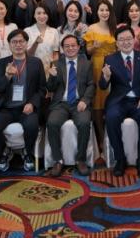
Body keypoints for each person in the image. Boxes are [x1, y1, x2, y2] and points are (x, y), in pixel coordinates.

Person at [0, 29, 46, 173]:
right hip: (6, 108)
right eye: (14, 42)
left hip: (26, 107)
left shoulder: (36, 62)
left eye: (21, 41)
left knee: (32, 126)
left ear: (26, 43)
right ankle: (4, 152)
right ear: (9, 44)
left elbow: (42, 89)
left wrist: (32, 103)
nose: (18, 45)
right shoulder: (1, 63)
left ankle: (28, 152)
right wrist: (7, 76)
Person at [100, 25, 140, 177]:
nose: (126, 42)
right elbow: (102, 86)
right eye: (122, 40)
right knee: (111, 117)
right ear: (117, 43)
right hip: (119, 101)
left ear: (133, 39)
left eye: (128, 39)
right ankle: (120, 159)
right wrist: (106, 77)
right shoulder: (110, 59)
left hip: (138, 100)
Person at [45, 34, 95, 177]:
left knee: (84, 123)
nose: (70, 48)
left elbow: (91, 85)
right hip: (61, 103)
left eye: (73, 45)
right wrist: (52, 76)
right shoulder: (56, 64)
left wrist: (85, 100)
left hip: (80, 102)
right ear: (62, 48)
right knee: (52, 122)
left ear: (78, 47)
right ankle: (58, 160)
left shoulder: (87, 63)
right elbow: (50, 88)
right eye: (67, 46)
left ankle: (81, 159)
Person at [84, 0, 117, 150]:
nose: (104, 13)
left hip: (113, 66)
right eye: (101, 10)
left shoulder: (115, 28)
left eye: (107, 10)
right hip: (97, 66)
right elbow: (87, 51)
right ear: (97, 12)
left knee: (112, 99)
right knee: (98, 102)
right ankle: (101, 138)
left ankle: (112, 136)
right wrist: (94, 47)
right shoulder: (92, 28)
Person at [25, 3, 60, 71]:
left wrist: (53, 67)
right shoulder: (27, 31)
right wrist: (36, 43)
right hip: (33, 68)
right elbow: (27, 55)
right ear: (34, 15)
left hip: (49, 69)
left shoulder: (54, 31)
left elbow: (55, 54)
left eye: (44, 13)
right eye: (38, 13)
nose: (42, 16)